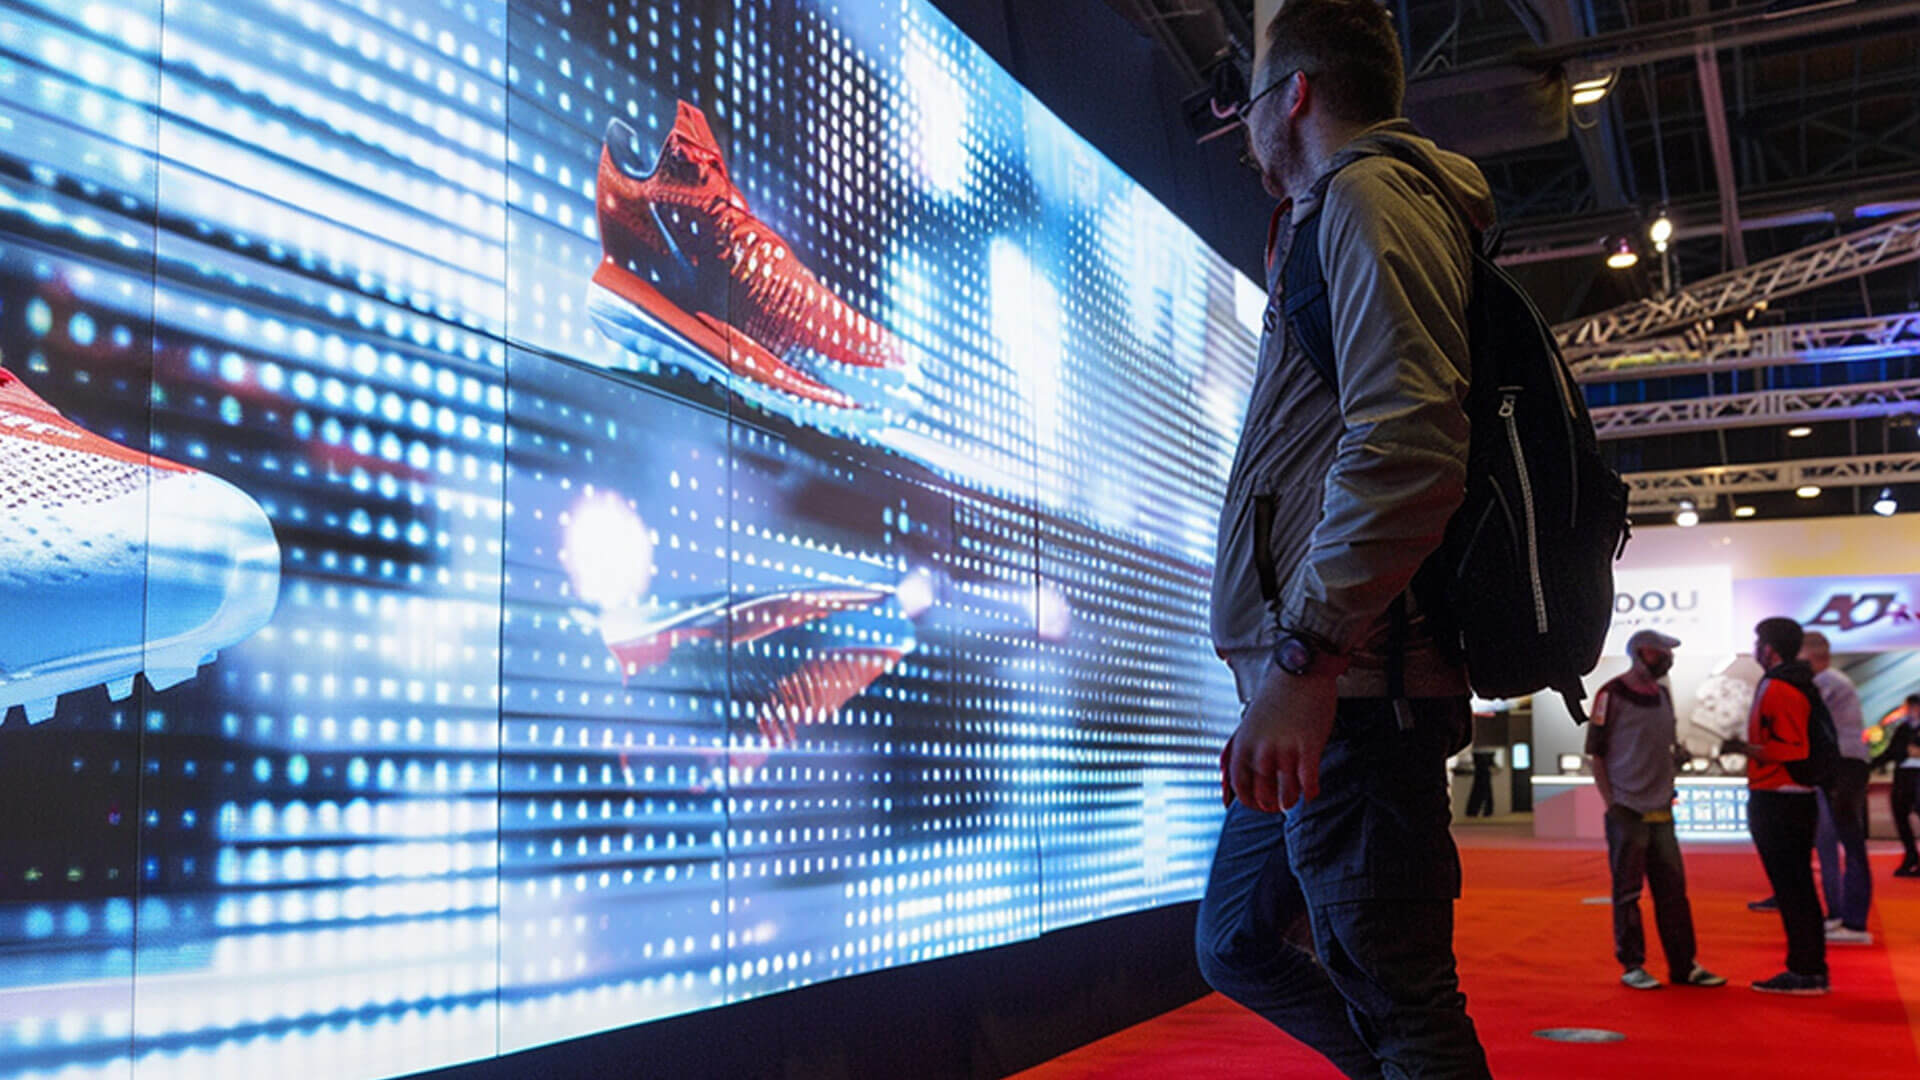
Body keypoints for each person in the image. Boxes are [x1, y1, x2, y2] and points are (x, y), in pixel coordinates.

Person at [1194, 0, 1494, 1074]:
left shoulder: (1369, 198)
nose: (1244, 131)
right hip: (1326, 694)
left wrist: (1307, 657)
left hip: (1357, 695)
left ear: (1298, 95)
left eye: (1253, 102)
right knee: (1236, 942)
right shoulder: (1339, 214)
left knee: (1397, 991)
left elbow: (1412, 440)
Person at [1587, 630, 1727, 990]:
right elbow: (1597, 754)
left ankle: (1684, 965)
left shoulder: (1663, 695)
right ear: (1640, 653)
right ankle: (1633, 963)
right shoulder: (1611, 694)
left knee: (1673, 893)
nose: (1667, 657)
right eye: (1661, 651)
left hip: (1662, 808)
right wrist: (1612, 803)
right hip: (1628, 809)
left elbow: (1667, 744)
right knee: (1628, 892)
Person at [1721, 617, 1829, 994]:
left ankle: (1805, 969)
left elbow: (1791, 747)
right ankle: (1809, 967)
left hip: (1779, 797)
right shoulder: (1796, 683)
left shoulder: (1780, 686)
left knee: (1793, 890)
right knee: (1797, 888)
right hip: (1791, 797)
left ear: (1769, 648)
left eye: (1758, 643)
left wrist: (1745, 749)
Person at [1805, 632, 1874, 941]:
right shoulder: (1833, 681)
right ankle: (1841, 913)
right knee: (1833, 840)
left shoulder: (1827, 683)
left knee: (1850, 842)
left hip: (1844, 766)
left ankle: (1854, 921)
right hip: (1840, 766)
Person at [1870, 693, 1920, 877]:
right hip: (1903, 776)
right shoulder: (1903, 729)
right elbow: (1892, 752)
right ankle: (1911, 854)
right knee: (1900, 813)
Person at [1465, 747, 1498, 818]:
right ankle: (1484, 811)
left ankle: (1474, 811)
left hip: (1481, 757)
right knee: (1483, 787)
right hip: (1482, 757)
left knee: (1480, 787)